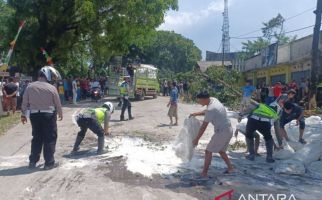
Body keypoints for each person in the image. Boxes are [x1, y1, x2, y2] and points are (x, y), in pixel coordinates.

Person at [21, 66, 63, 170]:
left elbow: (24, 102)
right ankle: (49, 163)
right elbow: (57, 103)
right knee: (49, 138)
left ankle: (32, 161)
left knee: (36, 138)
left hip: (34, 115)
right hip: (48, 115)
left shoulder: (30, 86)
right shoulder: (51, 87)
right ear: (47, 76)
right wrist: (60, 113)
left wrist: (23, 114)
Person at [190, 91, 234, 177]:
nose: (199, 102)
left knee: (208, 151)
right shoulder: (213, 100)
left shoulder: (211, 109)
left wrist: (196, 139)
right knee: (221, 151)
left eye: (200, 101)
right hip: (228, 129)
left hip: (222, 132)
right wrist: (196, 114)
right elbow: (207, 111)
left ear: (205, 99)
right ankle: (230, 168)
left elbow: (204, 126)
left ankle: (204, 173)